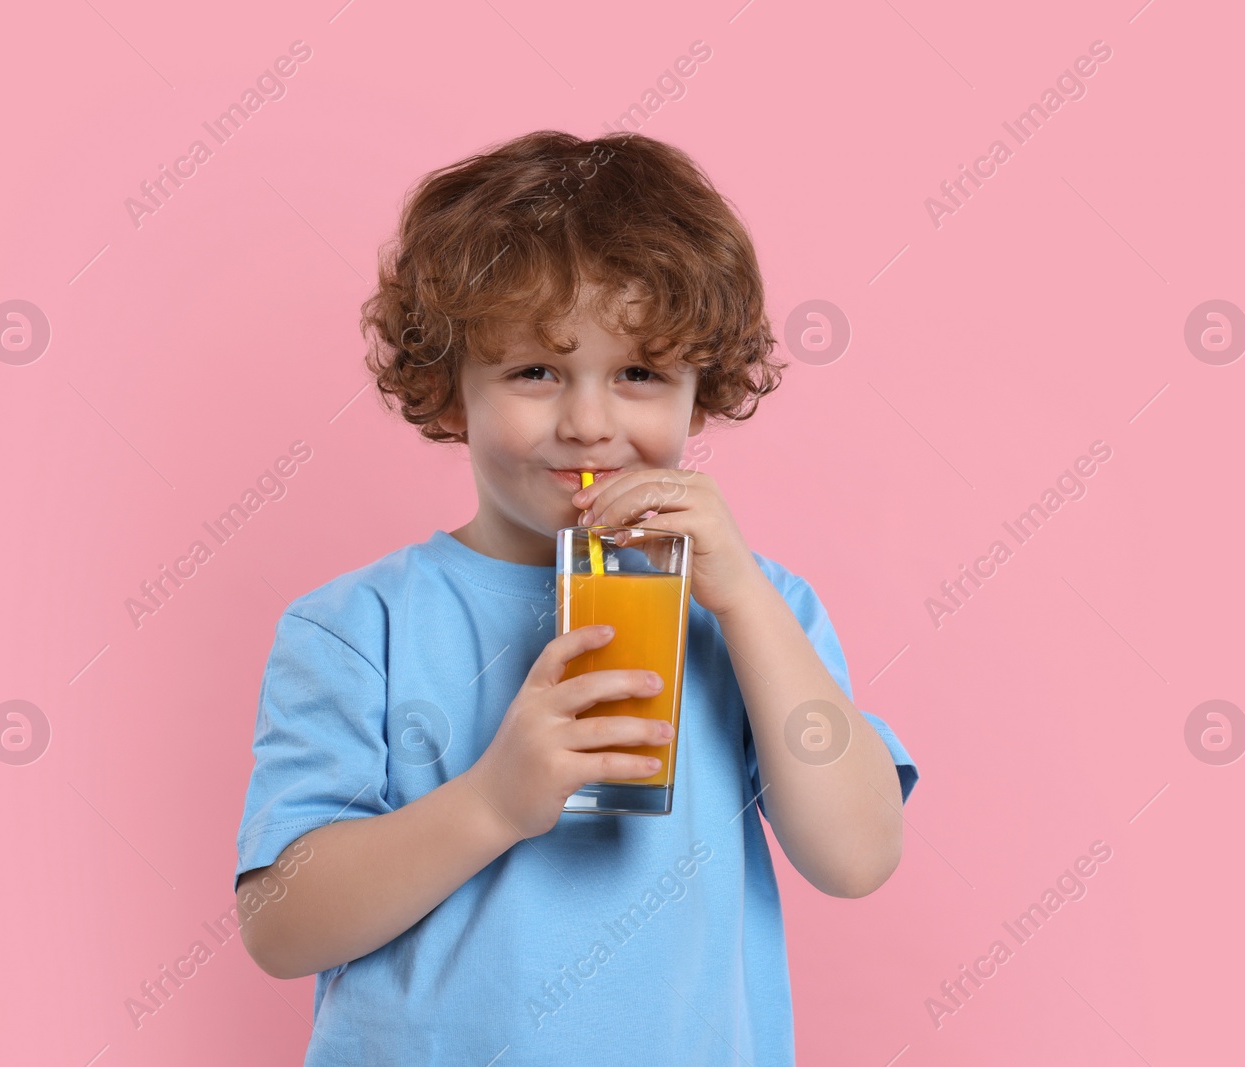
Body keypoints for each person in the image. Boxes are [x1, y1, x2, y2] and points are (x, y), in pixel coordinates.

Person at [232, 129, 919, 1066]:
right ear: (447, 389)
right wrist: (493, 803)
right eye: (535, 371)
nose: (589, 423)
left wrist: (747, 604)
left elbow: (857, 855)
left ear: (699, 391)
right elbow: (279, 926)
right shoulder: (359, 626)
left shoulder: (756, 609)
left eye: (640, 373)